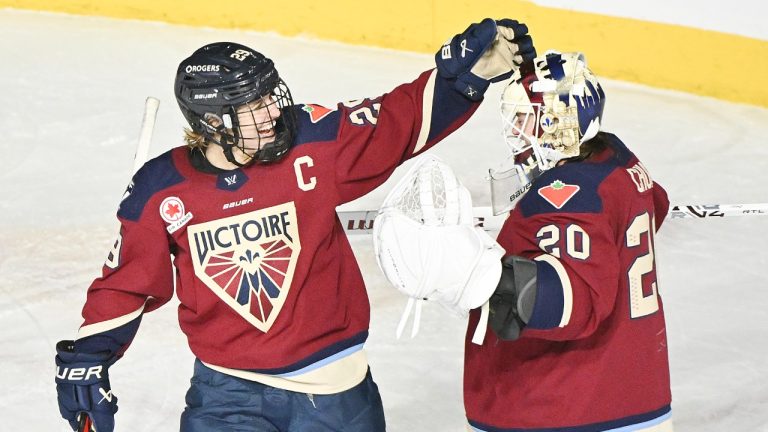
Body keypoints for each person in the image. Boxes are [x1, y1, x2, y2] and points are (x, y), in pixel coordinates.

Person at [54, 18, 536, 432]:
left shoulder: (310, 141)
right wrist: (88, 357)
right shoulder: (161, 189)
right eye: (253, 105)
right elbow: (127, 281)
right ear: (213, 120)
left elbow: (394, 123)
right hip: (226, 394)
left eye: (270, 95)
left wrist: (462, 79)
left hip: (336, 391)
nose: (271, 112)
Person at [374, 51, 673, 431]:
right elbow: (656, 205)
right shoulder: (619, 163)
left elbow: (574, 301)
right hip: (627, 396)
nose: (514, 130)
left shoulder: (568, 193)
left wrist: (478, 275)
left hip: (566, 407)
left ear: (556, 124)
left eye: (523, 119)